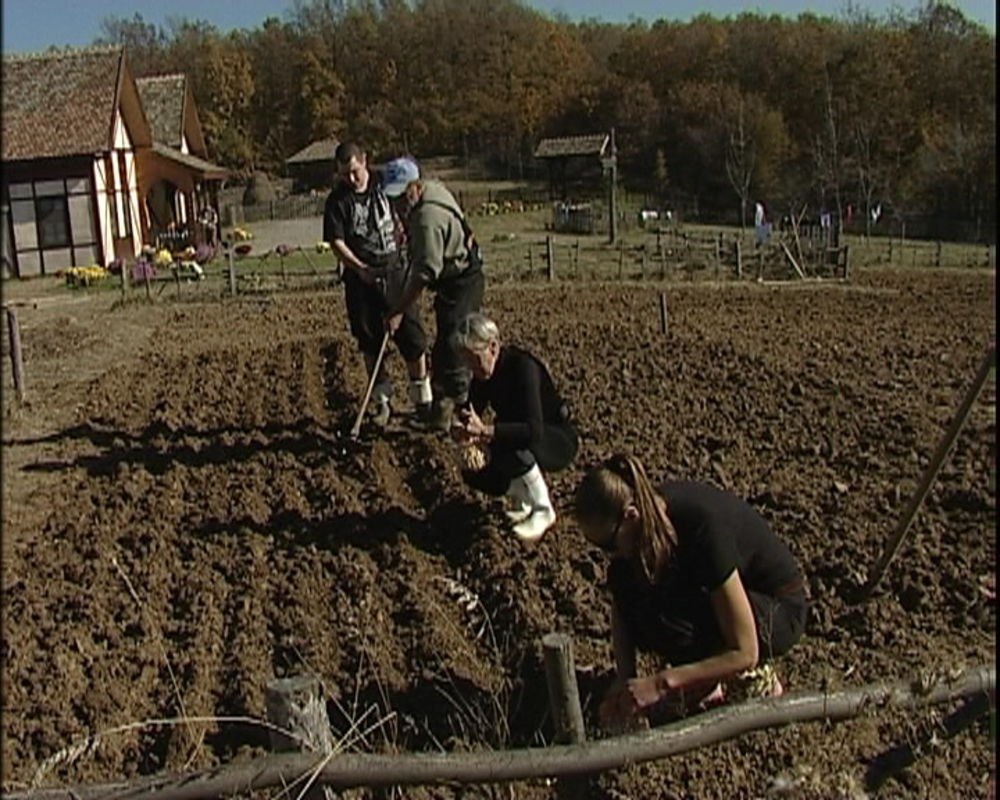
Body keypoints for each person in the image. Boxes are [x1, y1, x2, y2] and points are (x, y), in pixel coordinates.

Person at [574, 454, 807, 730]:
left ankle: (746, 683)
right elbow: (623, 600)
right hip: (719, 599)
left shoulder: (702, 529)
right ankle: (702, 681)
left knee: (673, 623)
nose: (607, 555)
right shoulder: (646, 525)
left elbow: (745, 650)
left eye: (607, 545)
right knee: (640, 594)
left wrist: (662, 683)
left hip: (776, 609)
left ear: (630, 516)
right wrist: (624, 682)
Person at [323, 143, 432, 426]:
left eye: (355, 172)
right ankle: (382, 402)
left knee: (412, 337)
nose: (351, 179)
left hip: (396, 272)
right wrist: (359, 269)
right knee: (370, 342)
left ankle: (422, 399)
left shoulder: (388, 184)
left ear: (365, 162)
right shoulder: (337, 201)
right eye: (345, 174)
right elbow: (336, 241)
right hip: (361, 281)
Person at [450, 313, 577, 541]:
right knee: (473, 468)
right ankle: (523, 496)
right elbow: (471, 409)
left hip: (555, 439)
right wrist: (460, 427)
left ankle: (543, 509)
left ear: (493, 347)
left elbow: (533, 431)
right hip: (522, 436)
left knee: (506, 439)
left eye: (474, 358)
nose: (472, 367)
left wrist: (485, 432)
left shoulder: (522, 367)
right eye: (467, 361)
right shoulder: (483, 374)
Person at [383, 157, 485, 431]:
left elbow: (425, 272)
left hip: (462, 279)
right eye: (393, 199)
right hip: (455, 274)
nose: (398, 205)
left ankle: (464, 413)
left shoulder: (427, 219)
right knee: (443, 348)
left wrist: (399, 311)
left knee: (455, 343)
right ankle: (441, 410)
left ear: (414, 187)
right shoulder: (431, 190)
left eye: (401, 197)